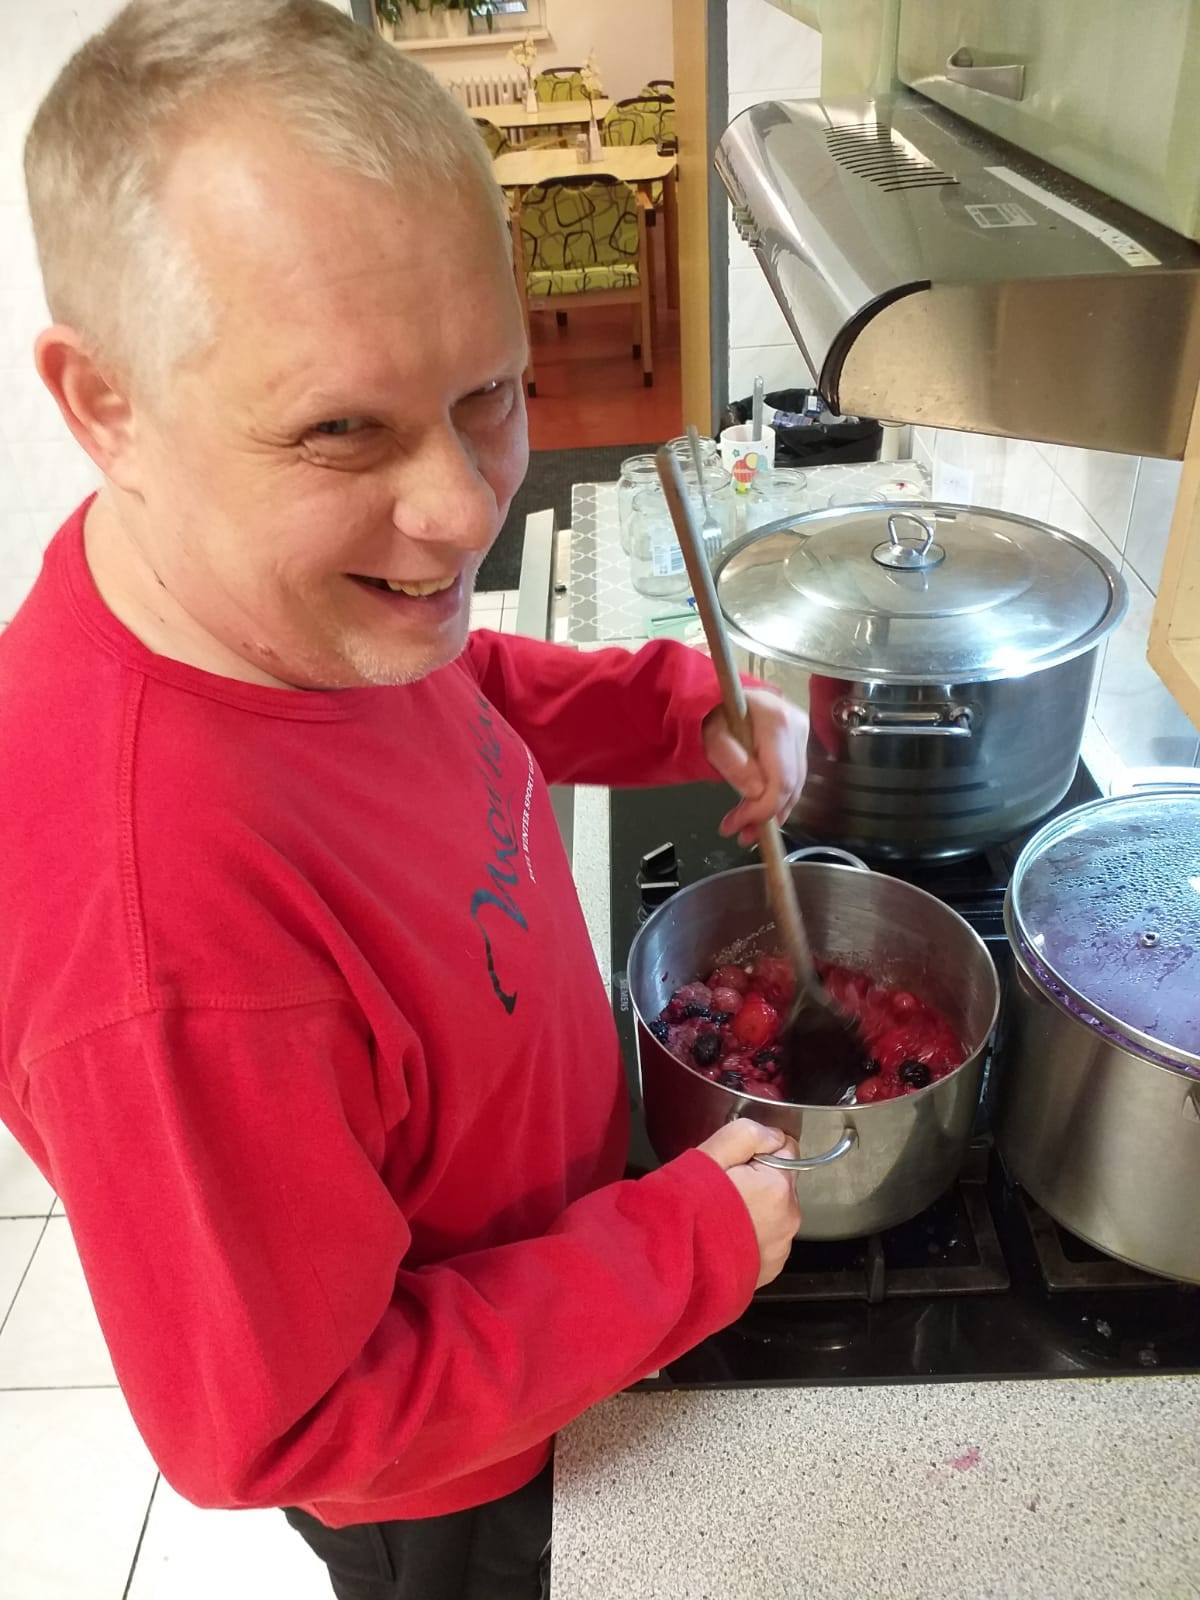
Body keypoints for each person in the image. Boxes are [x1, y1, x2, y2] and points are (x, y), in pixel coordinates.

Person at [0, 2, 807, 1596]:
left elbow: (446, 688)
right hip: (452, 1482)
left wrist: (672, 705)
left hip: (565, 1275)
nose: (460, 508)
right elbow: (297, 1422)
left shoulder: (285, 616)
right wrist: (682, 1250)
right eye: (340, 431)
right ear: (106, 407)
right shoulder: (166, 958)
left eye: (490, 392)